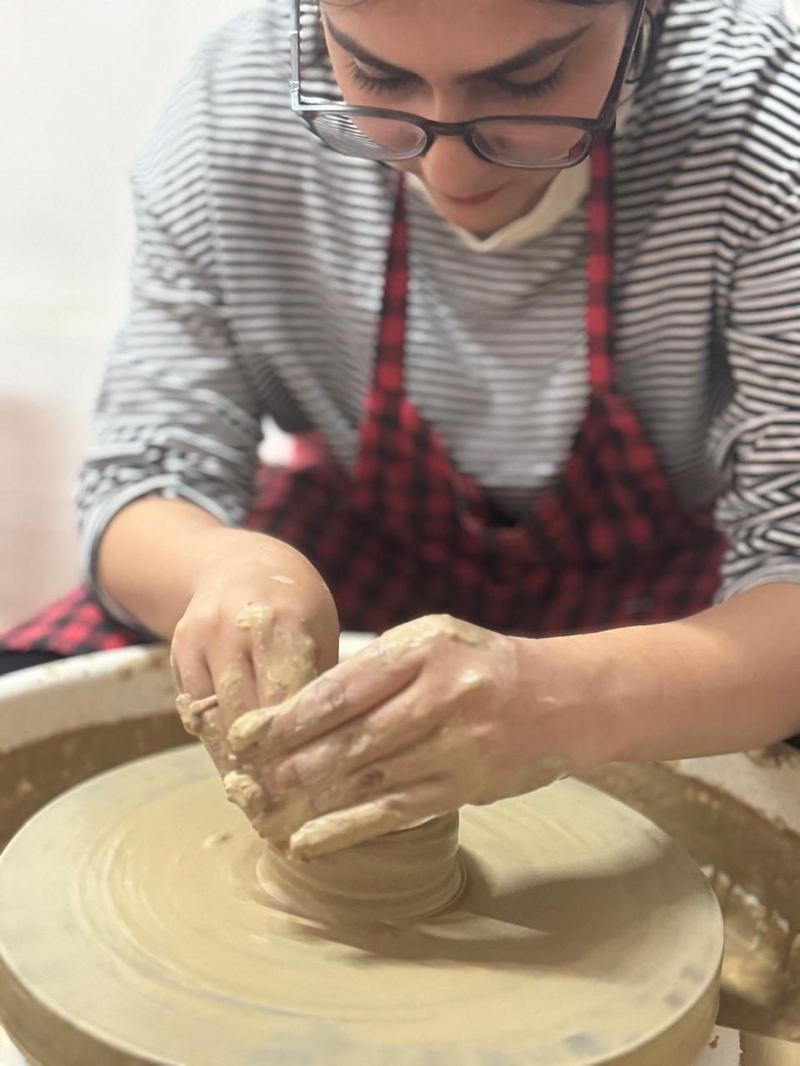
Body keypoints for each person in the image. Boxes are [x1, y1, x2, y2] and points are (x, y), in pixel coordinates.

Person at [3, 0, 799, 852]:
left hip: (668, 605)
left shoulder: (760, 123)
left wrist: (567, 699)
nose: (448, 167)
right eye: (378, 77)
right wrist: (232, 572)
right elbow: (141, 479)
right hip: (362, 544)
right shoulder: (240, 105)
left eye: (528, 81)